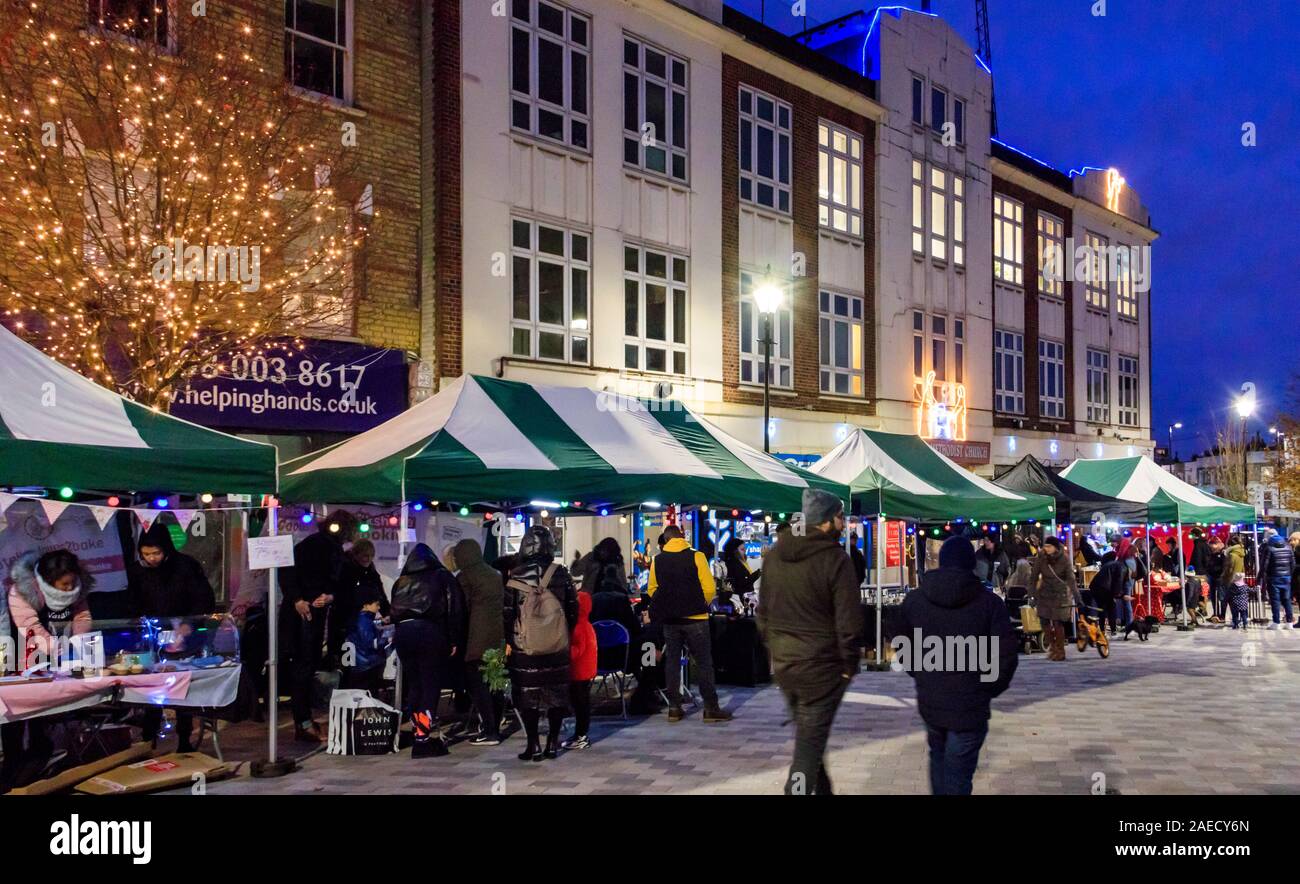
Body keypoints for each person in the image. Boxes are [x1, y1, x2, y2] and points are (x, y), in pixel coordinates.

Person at [757, 488, 862, 795]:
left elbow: (762, 613)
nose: (843, 524)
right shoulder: (835, 560)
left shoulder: (776, 555)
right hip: (822, 669)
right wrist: (849, 666)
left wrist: (775, 647)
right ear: (827, 522)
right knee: (806, 754)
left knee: (811, 741)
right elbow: (850, 622)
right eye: (840, 518)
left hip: (786, 666)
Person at [898, 535, 1018, 796]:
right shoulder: (989, 604)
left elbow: (899, 639)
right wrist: (988, 687)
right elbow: (1006, 654)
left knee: (940, 760)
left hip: (933, 699)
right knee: (958, 774)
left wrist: (920, 672)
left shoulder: (916, 601)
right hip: (970, 703)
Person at [2, 550, 94, 792]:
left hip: (58, 660)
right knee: (15, 715)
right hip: (20, 655)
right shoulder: (21, 592)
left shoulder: (77, 589)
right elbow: (29, 628)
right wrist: (61, 649)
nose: (69, 589)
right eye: (64, 585)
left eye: (72, 583)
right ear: (48, 580)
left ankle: (41, 757)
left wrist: (78, 643)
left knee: (43, 714)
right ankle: (14, 765)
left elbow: (82, 616)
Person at [126, 524, 217, 751]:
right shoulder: (137, 571)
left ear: (166, 549)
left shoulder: (186, 566)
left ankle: (184, 739)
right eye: (146, 554)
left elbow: (203, 599)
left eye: (156, 553)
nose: (152, 559)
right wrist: (140, 623)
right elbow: (131, 602)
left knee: (180, 688)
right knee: (151, 687)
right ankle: (148, 738)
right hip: (151, 637)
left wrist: (187, 626)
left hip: (185, 636)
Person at [505, 526, 579, 761]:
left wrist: (510, 640)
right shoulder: (562, 573)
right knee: (556, 695)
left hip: (525, 648)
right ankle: (553, 745)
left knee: (528, 697)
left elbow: (507, 613)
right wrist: (563, 632)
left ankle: (533, 745)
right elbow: (573, 609)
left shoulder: (515, 574)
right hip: (557, 646)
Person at [282, 510, 355, 743]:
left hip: (310, 611)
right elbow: (290, 572)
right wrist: (299, 600)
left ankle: (304, 721)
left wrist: (328, 597)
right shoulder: (320, 547)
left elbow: (338, 584)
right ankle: (303, 722)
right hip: (303, 615)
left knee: (306, 666)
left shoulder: (325, 548)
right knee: (303, 668)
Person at [646, 525, 732, 724]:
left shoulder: (657, 560)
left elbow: (652, 589)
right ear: (682, 537)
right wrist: (701, 604)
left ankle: (674, 708)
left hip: (670, 620)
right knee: (703, 663)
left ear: (666, 540)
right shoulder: (697, 556)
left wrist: (668, 603)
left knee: (672, 663)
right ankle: (711, 708)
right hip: (696, 618)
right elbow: (709, 588)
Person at [390, 543, 466, 758]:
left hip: (404, 634)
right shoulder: (442, 577)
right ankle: (423, 740)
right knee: (430, 686)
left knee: (414, 685)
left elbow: (393, 611)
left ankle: (418, 733)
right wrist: (454, 639)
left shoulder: (401, 581)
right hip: (430, 633)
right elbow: (455, 609)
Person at [450, 538, 505, 747]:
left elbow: (460, 609)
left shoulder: (465, 577)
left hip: (476, 638)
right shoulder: (495, 574)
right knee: (495, 683)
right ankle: (496, 727)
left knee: (478, 685)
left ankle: (489, 731)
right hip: (497, 637)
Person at [1029, 536, 1077, 661]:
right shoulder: (1042, 558)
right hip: (1044, 593)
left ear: (1055, 547)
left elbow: (1071, 579)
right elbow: (1033, 577)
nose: (1046, 548)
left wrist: (1077, 596)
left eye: (1049, 546)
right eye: (1045, 546)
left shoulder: (1064, 559)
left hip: (1060, 594)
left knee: (1057, 622)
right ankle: (1053, 647)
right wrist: (1032, 594)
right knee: (1044, 621)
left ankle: (1060, 650)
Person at [564, 591, 597, 750]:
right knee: (581, 703)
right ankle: (580, 734)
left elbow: (577, 650)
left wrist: (563, 651)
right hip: (585, 671)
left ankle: (581, 736)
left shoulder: (578, 627)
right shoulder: (587, 625)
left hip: (578, 671)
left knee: (580, 703)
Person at [340, 584, 388, 694]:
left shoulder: (355, 618)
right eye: (377, 604)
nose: (379, 608)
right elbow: (371, 642)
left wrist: (379, 622)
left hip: (356, 663)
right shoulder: (365, 621)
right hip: (367, 663)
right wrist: (387, 639)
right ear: (366, 605)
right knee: (369, 694)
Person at [1258, 528, 1295, 629]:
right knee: (1287, 600)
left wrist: (1260, 578)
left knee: (1275, 600)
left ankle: (1276, 622)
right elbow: (1293, 564)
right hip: (1286, 577)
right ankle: (1289, 623)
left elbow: (1264, 565)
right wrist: (1289, 575)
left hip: (1273, 577)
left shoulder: (1269, 548)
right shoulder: (1288, 547)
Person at [1090, 551, 1125, 636]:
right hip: (1105, 589)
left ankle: (1102, 629)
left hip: (1095, 587)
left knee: (1102, 609)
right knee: (1111, 608)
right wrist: (1117, 594)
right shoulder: (1118, 565)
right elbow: (1118, 581)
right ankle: (1112, 629)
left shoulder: (1106, 565)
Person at [1207, 537, 1228, 622]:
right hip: (1212, 577)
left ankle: (1222, 615)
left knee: (1222, 597)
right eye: (1211, 545)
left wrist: (1222, 575)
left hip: (1220, 578)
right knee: (1213, 597)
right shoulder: (1212, 554)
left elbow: (1225, 566)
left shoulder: (1223, 553)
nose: (1212, 547)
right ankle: (1215, 613)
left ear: (1218, 544)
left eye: (1213, 545)